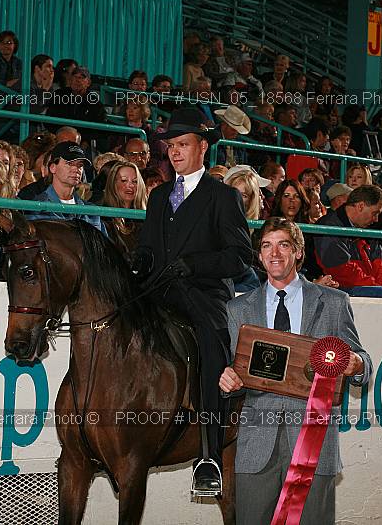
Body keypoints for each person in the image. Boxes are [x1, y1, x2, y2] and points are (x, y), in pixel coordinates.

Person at [219, 217, 372, 525]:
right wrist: (227, 379)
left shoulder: (334, 302)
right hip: (256, 444)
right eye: (267, 246)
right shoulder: (237, 309)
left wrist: (356, 364)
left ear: (299, 252)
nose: (274, 253)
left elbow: (363, 362)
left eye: (283, 245)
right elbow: (236, 370)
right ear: (259, 255)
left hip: (314, 444)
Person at [132, 107, 252, 496]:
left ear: (202, 147)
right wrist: (137, 263)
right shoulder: (158, 196)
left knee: (213, 348)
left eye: (183, 144)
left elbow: (240, 256)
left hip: (202, 293)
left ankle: (209, 456)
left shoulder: (224, 196)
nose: (175, 152)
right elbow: (148, 247)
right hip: (158, 291)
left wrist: (194, 265)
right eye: (171, 146)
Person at [315, 185, 382, 299]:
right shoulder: (329, 227)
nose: (376, 219)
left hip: (366, 286)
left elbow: (381, 266)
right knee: (381, 293)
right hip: (338, 287)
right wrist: (378, 287)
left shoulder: (367, 228)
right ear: (360, 206)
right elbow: (342, 271)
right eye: (375, 213)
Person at [24, 141, 107, 234]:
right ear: (52, 167)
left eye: (80, 165)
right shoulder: (37, 208)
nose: (76, 169)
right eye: (69, 163)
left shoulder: (91, 212)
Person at [100, 161, 146, 256]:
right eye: (124, 180)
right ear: (113, 184)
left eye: (135, 181)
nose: (130, 185)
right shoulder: (102, 218)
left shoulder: (145, 217)